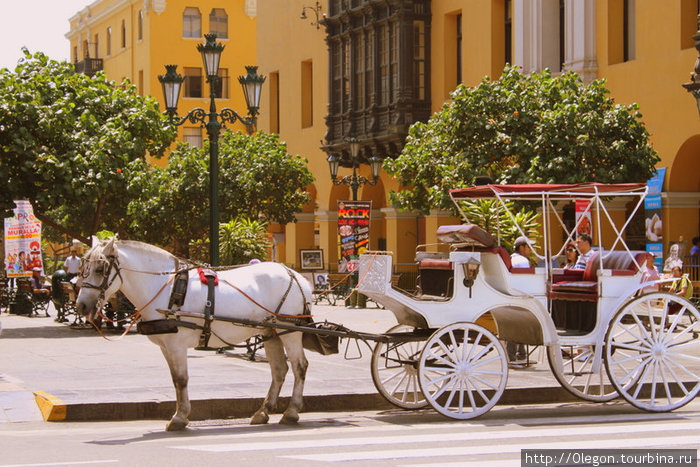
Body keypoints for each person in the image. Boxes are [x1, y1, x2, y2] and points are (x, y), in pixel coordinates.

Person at [507, 236, 532, 366]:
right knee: (518, 326)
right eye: (528, 247)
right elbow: (524, 281)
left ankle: (520, 354)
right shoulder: (522, 261)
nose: (530, 250)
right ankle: (515, 355)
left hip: (511, 295)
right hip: (519, 295)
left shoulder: (512, 259)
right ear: (522, 248)